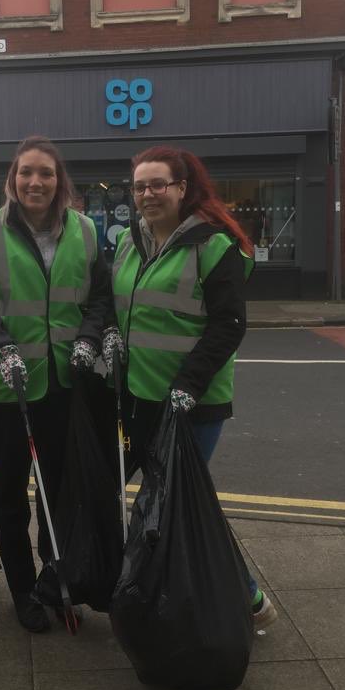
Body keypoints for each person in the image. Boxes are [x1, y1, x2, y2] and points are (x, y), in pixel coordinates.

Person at [103, 145, 277, 629]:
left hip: (192, 406)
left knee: (179, 503)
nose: (148, 194)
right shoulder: (128, 242)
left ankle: (247, 600)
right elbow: (120, 305)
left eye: (159, 184)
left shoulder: (215, 246)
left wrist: (187, 386)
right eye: (140, 186)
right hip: (138, 396)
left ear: (183, 188)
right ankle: (138, 587)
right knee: (126, 492)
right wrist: (113, 334)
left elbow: (228, 326)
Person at [0, 136, 112, 633]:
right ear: (13, 179)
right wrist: (0, 348)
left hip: (66, 384)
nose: (35, 182)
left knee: (60, 490)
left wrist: (90, 340)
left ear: (59, 181)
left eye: (45, 173)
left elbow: (100, 300)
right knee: (10, 491)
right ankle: (23, 590)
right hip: (9, 389)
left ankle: (58, 577)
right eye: (26, 172)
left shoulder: (87, 231)